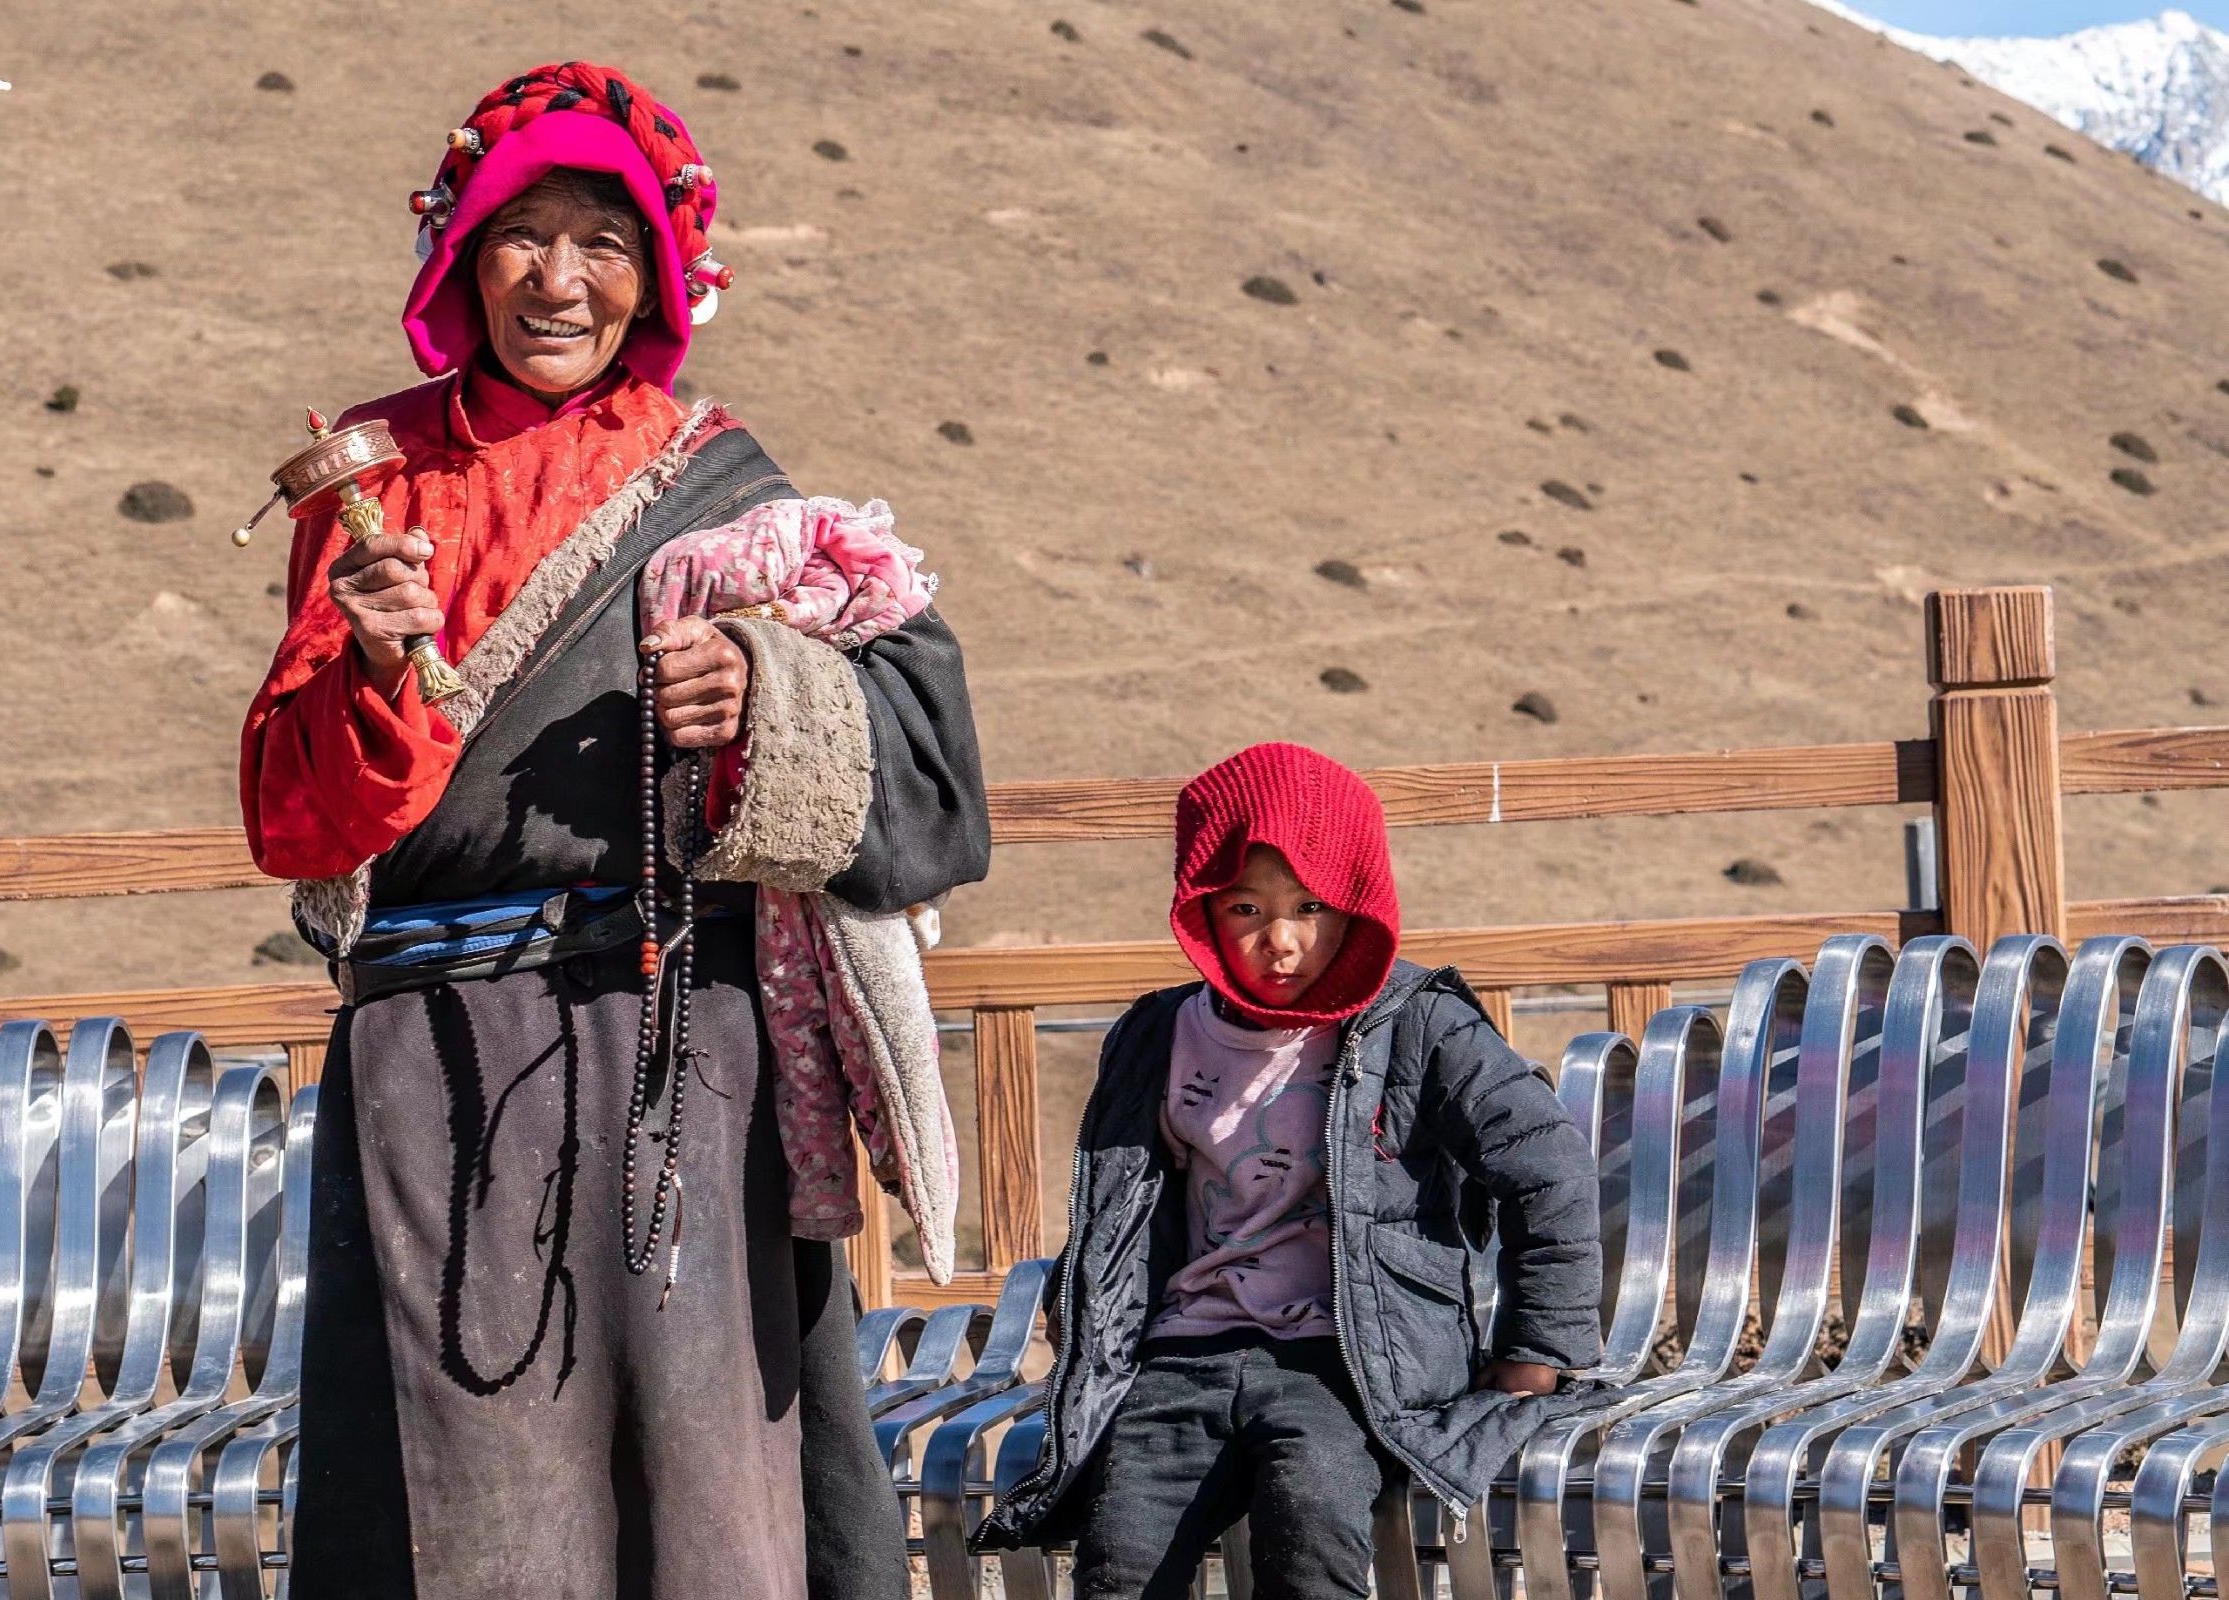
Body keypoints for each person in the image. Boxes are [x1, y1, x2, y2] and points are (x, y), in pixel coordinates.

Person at [237, 62, 990, 1600]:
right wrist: (375, 670)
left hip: (682, 1049)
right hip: (436, 1062)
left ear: (653, 273)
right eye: (522, 236)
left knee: (706, 1489)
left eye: (602, 240)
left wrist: (763, 693)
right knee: (471, 1502)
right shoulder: (370, 487)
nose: (558, 281)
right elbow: (295, 820)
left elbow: (921, 754)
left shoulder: (723, 484)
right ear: (460, 258)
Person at [974, 742, 1602, 1599]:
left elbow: (1548, 1168)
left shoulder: (1419, 1027)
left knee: (1310, 1543)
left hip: (1345, 1365)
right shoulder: (1156, 1033)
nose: (1281, 940)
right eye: (1244, 908)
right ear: (1200, 909)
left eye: (1312, 905)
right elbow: (1116, 1219)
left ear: (1358, 904)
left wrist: (1537, 1349)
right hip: (1181, 1355)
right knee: (1118, 1565)